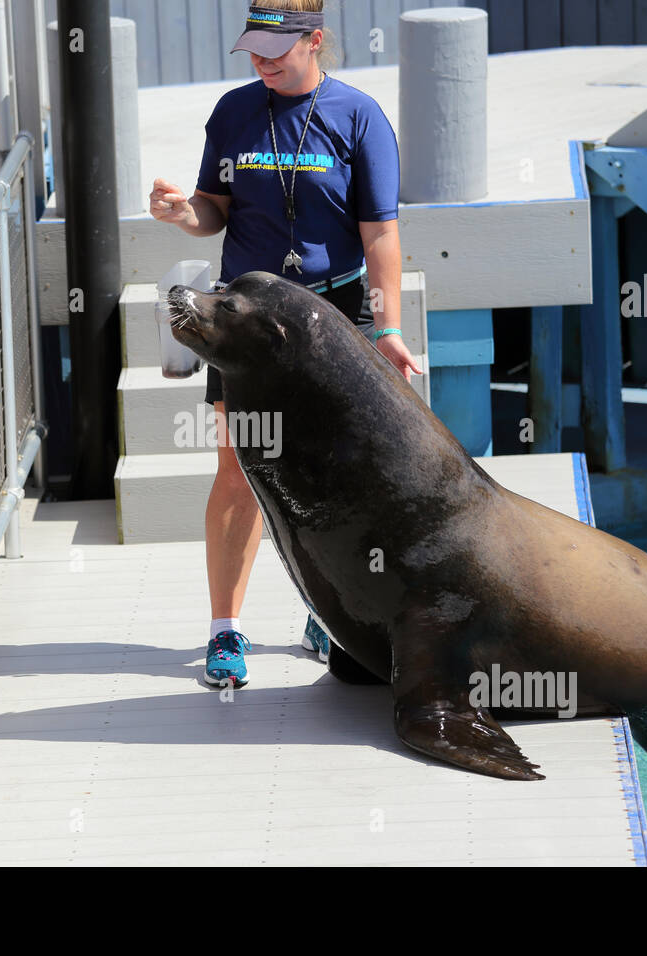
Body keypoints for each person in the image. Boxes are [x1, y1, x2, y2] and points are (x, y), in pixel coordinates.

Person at [150, 0, 419, 688]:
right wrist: (187, 213)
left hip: (336, 310)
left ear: (316, 41)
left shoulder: (359, 117)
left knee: (343, 475)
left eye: (277, 52)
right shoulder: (234, 113)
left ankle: (331, 612)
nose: (262, 64)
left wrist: (385, 327)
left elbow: (380, 233)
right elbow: (216, 209)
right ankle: (224, 631)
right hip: (249, 318)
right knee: (241, 471)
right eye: (254, 53)